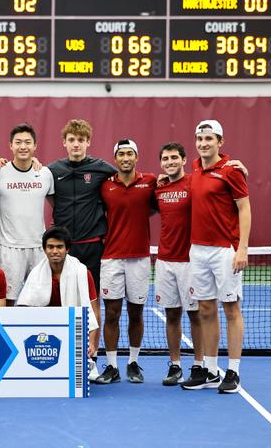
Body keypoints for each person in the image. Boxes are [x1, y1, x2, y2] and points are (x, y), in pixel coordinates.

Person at [181, 120, 251, 394]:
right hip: (197, 250)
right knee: (206, 309)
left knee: (231, 309)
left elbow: (244, 209)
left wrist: (242, 248)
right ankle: (210, 370)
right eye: (199, 139)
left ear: (220, 142)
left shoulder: (232, 170)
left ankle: (232, 370)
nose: (203, 143)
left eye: (208, 138)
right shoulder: (196, 168)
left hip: (225, 250)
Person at [96, 139, 157, 384]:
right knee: (111, 313)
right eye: (120, 154)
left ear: (136, 156)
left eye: (129, 153)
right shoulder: (105, 186)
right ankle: (111, 366)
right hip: (111, 257)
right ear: (115, 158)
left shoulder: (150, 182)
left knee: (136, 312)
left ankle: (133, 362)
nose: (125, 158)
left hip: (140, 258)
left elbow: (156, 205)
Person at [154, 142, 204, 385]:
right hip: (164, 261)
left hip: (190, 262)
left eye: (174, 157)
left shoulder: (195, 183)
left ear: (184, 159)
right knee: (171, 315)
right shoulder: (159, 188)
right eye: (165, 158)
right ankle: (175, 365)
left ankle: (199, 364)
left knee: (195, 315)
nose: (170, 162)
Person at [0, 123, 54, 305]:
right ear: (10, 145)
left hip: (38, 248)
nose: (23, 146)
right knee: (7, 302)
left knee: (41, 303)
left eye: (27, 142)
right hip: (9, 250)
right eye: (18, 142)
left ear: (35, 146)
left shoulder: (45, 174)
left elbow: (58, 208)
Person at [47, 119, 116, 293]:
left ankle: (94, 322)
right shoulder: (52, 170)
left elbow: (125, 176)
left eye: (80, 139)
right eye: (71, 140)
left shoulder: (102, 168)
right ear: (64, 142)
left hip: (93, 246)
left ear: (88, 142)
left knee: (92, 297)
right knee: (63, 295)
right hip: (64, 247)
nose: (76, 144)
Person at [17, 226, 100, 357]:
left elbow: (93, 312)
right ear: (44, 249)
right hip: (45, 331)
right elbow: (24, 308)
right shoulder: (35, 274)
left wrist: (93, 344)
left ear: (67, 249)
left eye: (59, 247)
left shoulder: (82, 273)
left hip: (73, 329)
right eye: (50, 247)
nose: (55, 251)